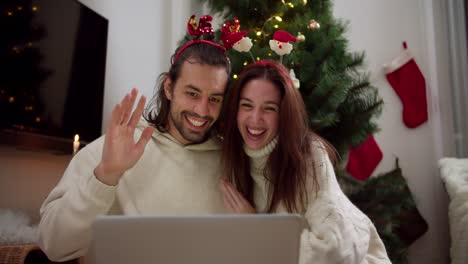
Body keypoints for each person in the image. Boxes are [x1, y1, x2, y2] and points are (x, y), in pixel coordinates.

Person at [38, 18, 231, 261]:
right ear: (169, 88)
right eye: (192, 94)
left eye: (214, 98)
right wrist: (106, 175)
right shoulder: (118, 148)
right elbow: (54, 245)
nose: (202, 111)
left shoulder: (230, 160)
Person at [219, 60, 391, 263]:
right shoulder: (233, 157)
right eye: (246, 105)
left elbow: (333, 249)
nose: (255, 118)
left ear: (285, 114)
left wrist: (257, 227)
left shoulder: (310, 155)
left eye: (269, 108)